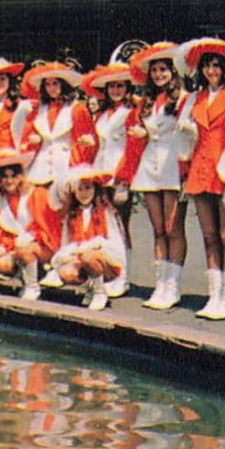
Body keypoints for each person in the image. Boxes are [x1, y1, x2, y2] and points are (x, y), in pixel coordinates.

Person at [176, 38, 225, 321]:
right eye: (207, 66)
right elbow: (184, 138)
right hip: (200, 170)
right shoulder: (194, 98)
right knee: (209, 236)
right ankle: (215, 295)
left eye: (217, 66)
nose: (211, 71)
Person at [115, 43, 187, 310]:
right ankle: (161, 284)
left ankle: (174, 285)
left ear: (173, 71)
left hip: (172, 164)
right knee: (158, 229)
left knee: (173, 228)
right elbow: (136, 131)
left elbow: (186, 132)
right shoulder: (144, 102)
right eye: (154, 70)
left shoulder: (182, 98)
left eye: (163, 69)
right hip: (149, 165)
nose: (158, 74)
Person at [82, 62, 136, 300]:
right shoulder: (102, 114)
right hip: (100, 175)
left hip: (118, 175)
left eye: (120, 86)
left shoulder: (132, 112)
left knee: (120, 227)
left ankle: (123, 275)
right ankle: (108, 271)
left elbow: (133, 148)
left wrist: (124, 179)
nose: (115, 90)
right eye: (112, 86)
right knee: (104, 227)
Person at [0, 148, 62, 301]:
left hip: (42, 247)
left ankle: (33, 287)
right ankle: (23, 280)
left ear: (21, 176)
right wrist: (2, 247)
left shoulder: (37, 194)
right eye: (4, 177)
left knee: (25, 250)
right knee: (1, 263)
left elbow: (49, 229)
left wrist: (31, 236)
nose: (9, 181)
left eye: (13, 176)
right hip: (16, 247)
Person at [48, 168, 126, 311]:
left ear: (95, 189)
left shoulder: (105, 212)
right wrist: (69, 253)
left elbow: (116, 245)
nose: (84, 193)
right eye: (80, 189)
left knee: (89, 257)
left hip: (105, 260)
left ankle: (99, 293)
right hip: (81, 258)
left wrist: (94, 245)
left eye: (88, 188)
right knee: (66, 272)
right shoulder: (72, 215)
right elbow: (67, 244)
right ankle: (91, 286)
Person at [16, 62, 97, 189]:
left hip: (65, 166)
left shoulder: (77, 109)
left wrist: (75, 169)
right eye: (47, 84)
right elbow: (28, 138)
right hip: (40, 169)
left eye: (55, 83)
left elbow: (83, 143)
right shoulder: (38, 110)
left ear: (64, 85)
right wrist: (37, 140)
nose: (51, 88)